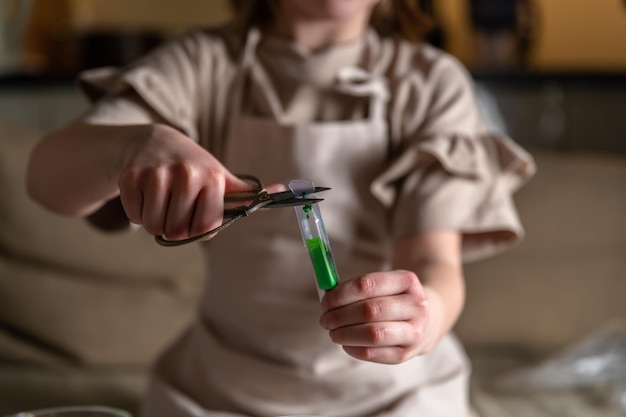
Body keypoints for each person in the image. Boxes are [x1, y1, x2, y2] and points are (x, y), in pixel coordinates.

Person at [26, 0, 535, 416]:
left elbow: (435, 263)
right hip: (215, 395)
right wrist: (130, 147)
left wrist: (423, 319)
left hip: (399, 397)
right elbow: (45, 179)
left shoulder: (431, 84)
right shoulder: (201, 66)